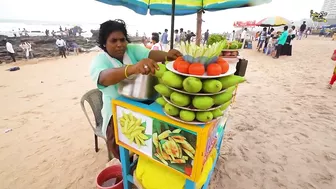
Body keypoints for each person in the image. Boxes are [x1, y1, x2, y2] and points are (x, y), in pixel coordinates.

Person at [89, 19, 182, 159]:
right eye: (113, 41)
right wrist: (132, 68)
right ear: (104, 43)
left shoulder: (131, 50)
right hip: (116, 113)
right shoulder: (100, 60)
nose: (119, 44)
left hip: (141, 106)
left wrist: (167, 55)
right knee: (123, 153)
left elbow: (150, 55)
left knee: (151, 144)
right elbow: (103, 78)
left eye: (122, 40)